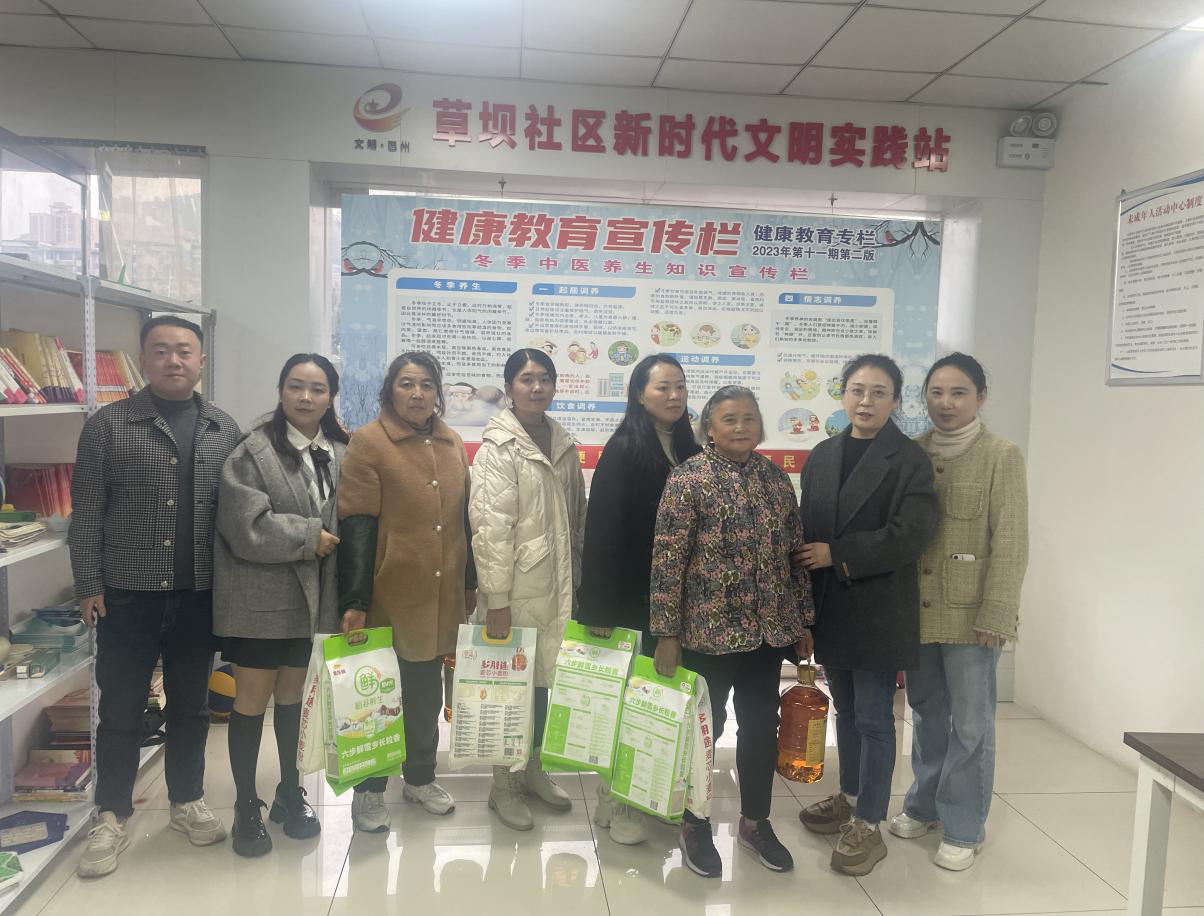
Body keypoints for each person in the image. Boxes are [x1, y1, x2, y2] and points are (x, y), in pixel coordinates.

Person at [69, 316, 240, 878]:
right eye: (161, 351)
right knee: (120, 709)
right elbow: (87, 511)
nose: (174, 361)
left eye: (184, 351)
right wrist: (89, 583)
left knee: (191, 707)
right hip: (127, 593)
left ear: (201, 361)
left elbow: (237, 513)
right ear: (143, 359)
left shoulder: (222, 427)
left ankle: (187, 801)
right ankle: (111, 815)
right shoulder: (108, 425)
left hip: (200, 596)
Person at [650, 386, 814, 878]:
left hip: (768, 633)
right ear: (709, 428)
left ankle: (755, 822)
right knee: (706, 729)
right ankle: (694, 821)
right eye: (729, 419)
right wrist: (666, 633)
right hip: (708, 633)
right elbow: (667, 562)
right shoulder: (688, 479)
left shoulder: (775, 479)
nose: (740, 427)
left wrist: (802, 621)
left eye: (748, 418)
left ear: (760, 425)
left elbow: (795, 556)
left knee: (761, 727)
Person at [797, 354, 939, 877]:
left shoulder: (909, 460)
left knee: (875, 717)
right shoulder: (823, 454)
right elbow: (806, 531)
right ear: (843, 394)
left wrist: (839, 554)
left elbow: (911, 535)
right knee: (846, 710)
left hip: (879, 607)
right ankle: (851, 797)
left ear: (896, 400)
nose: (866, 401)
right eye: (857, 390)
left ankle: (870, 822)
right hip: (831, 606)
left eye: (879, 392)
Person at [888, 353, 1029, 870]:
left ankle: (965, 826)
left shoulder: (1001, 455)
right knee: (927, 714)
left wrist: (999, 612)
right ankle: (923, 805)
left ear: (981, 397)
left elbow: (1011, 538)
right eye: (937, 392)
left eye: (959, 393)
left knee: (971, 724)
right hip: (919, 611)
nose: (946, 403)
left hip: (973, 616)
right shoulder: (912, 452)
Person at [213, 353, 349, 857]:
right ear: (281, 391)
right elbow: (244, 525)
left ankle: (290, 791)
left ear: (331, 397)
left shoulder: (342, 451)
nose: (306, 397)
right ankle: (246, 804)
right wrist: (308, 536)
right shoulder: (252, 452)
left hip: (314, 602)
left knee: (294, 698)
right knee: (252, 700)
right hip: (260, 599)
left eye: (318, 389)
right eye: (296, 386)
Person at [337, 351, 477, 833]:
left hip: (441, 593)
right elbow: (357, 524)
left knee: (424, 695)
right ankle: (370, 789)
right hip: (388, 592)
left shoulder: (452, 441)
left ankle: (419, 777)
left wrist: (469, 581)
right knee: (377, 697)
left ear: (438, 392)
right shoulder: (369, 442)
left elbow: (463, 521)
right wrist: (355, 600)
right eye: (406, 384)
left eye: (426, 385)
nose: (417, 394)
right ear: (389, 390)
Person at [578, 354, 701, 845]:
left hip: (679, 602)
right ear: (639, 395)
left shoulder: (691, 448)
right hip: (631, 599)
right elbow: (602, 532)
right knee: (629, 701)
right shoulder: (624, 448)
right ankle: (618, 798)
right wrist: (599, 609)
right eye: (662, 387)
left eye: (680, 386)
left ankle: (646, 790)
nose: (674, 395)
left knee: (662, 701)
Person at [469, 348, 587, 831]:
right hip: (516, 590)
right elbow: (490, 529)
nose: (536, 388)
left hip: (557, 587)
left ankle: (533, 769)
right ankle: (504, 785)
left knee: (541, 686)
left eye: (545, 379)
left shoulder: (563, 442)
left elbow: (577, 518)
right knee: (508, 689)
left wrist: (579, 580)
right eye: (526, 379)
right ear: (509, 388)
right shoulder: (499, 447)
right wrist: (496, 600)